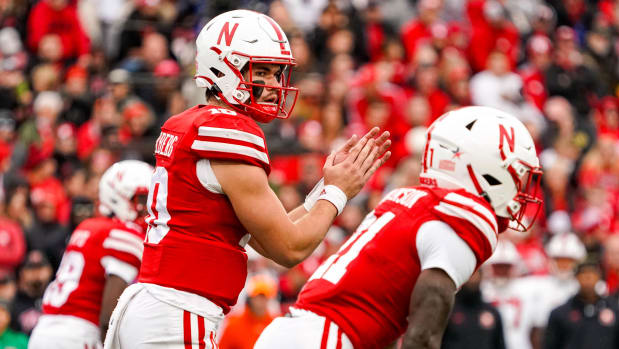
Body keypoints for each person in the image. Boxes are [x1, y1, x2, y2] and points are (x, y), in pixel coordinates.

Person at [104, 10, 391, 349]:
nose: (273, 86)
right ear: (224, 66)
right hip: (177, 313)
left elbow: (267, 236)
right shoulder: (229, 130)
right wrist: (339, 194)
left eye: (277, 73)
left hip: (157, 306)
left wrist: (324, 188)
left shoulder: (195, 122)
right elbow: (290, 248)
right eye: (263, 72)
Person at [255, 106, 543, 349]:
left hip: (296, 332)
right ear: (483, 168)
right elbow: (424, 333)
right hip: (329, 338)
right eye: (516, 176)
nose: (521, 190)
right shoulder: (461, 218)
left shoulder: (406, 198)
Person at [28, 160, 153, 348]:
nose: (147, 208)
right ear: (118, 196)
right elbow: (108, 316)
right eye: (142, 199)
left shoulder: (88, 226)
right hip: (79, 334)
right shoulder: (124, 235)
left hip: (44, 330)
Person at [544, 261, 619, 349]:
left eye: (591, 275)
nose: (588, 279)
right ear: (576, 278)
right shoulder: (561, 313)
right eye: (583, 274)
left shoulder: (614, 310)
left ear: (599, 277)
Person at [441, 271, 506, 349]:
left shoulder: (492, 312)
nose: (473, 279)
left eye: (475, 274)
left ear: (481, 277)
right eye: (470, 275)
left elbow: (500, 345)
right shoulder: (448, 310)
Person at [218, 274, 279, 349]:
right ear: (250, 298)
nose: (262, 301)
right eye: (258, 296)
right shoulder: (234, 325)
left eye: (265, 297)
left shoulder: (275, 324)